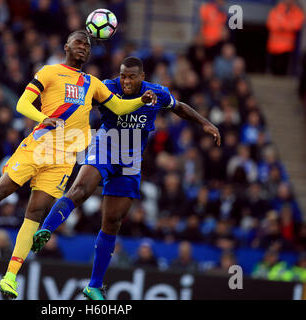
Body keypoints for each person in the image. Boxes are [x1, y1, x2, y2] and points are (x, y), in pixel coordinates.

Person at [0, 30, 157, 299]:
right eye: (78, 43)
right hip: (39, 146)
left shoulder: (93, 83)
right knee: (1, 191)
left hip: (64, 159)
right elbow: (22, 103)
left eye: (87, 46)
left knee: (36, 212)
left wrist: (140, 101)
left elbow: (120, 108)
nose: (83, 48)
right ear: (66, 46)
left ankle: (10, 277)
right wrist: (44, 117)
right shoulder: (50, 72)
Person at [32, 56, 221, 300]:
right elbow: (78, 101)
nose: (126, 81)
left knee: (113, 221)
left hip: (131, 159)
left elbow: (179, 107)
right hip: (106, 146)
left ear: (142, 77)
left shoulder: (157, 93)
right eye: (123, 75)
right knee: (81, 190)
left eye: (131, 76)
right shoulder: (107, 88)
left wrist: (204, 123)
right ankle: (45, 230)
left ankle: (94, 285)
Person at [266, 0, 305, 75]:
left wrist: (282, 26)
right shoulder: (276, 10)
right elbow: (270, 23)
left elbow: (297, 24)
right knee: (273, 66)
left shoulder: (297, 12)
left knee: (284, 68)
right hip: (274, 45)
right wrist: (285, 26)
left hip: (287, 46)